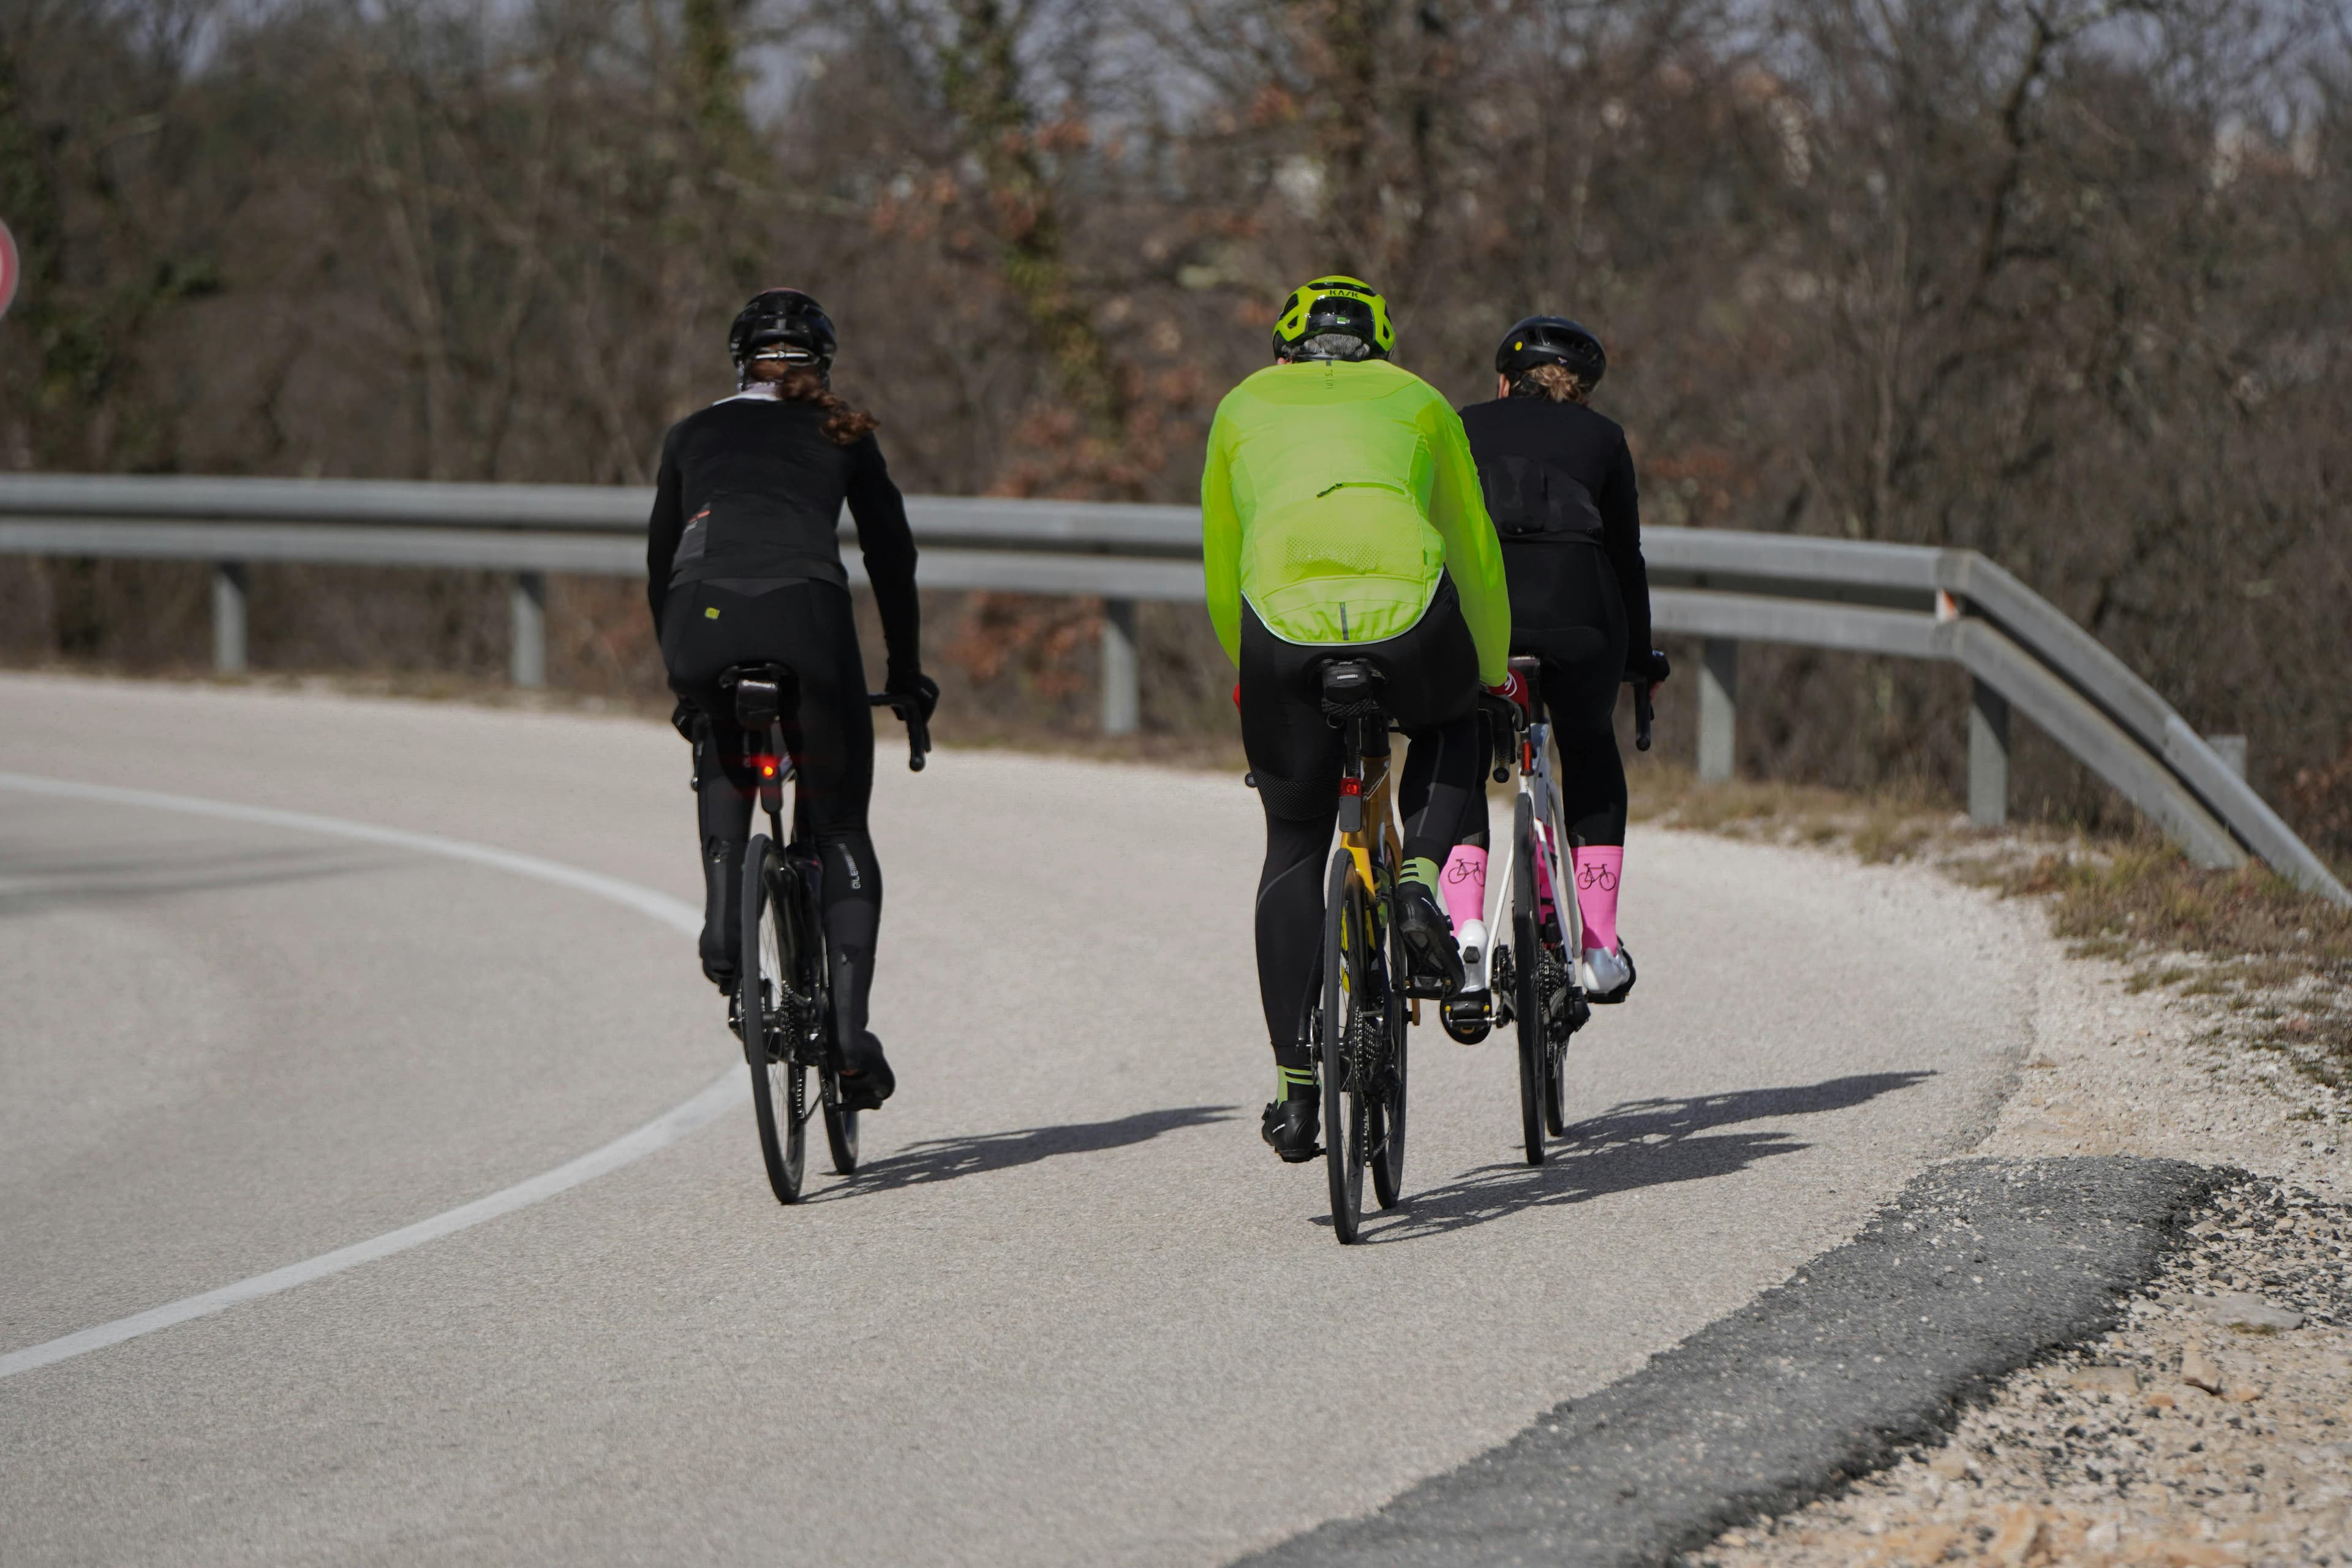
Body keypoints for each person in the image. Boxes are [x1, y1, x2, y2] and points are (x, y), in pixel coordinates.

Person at [1200, 275, 1523, 1163]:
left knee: (1295, 846)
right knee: (1455, 721)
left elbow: (1223, 554)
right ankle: (1418, 875)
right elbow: (1472, 545)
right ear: (1379, 345)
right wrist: (1491, 676)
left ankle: (1295, 1090)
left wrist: (1251, 677)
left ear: (1285, 347)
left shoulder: (1240, 407)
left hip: (1280, 632)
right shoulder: (1420, 402)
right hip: (1408, 616)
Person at [646, 288, 937, 1110]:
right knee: (839, 823)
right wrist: (907, 673)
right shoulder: (842, 429)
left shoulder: (692, 433)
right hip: (808, 617)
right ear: (824, 363)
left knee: (722, 747)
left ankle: (722, 925)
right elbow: (893, 559)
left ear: (738, 362)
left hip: (698, 619)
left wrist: (685, 683)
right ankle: (847, 1040)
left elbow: (659, 564)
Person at [1453, 315, 1667, 1003]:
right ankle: (1600, 949)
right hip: (1581, 619)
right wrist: (1637, 656)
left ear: (1503, 381)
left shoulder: (1464, 424)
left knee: (1453, 744)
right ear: (1581, 393)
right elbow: (1625, 557)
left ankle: (1465, 937)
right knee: (1589, 744)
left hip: (1484, 619)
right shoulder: (1604, 438)